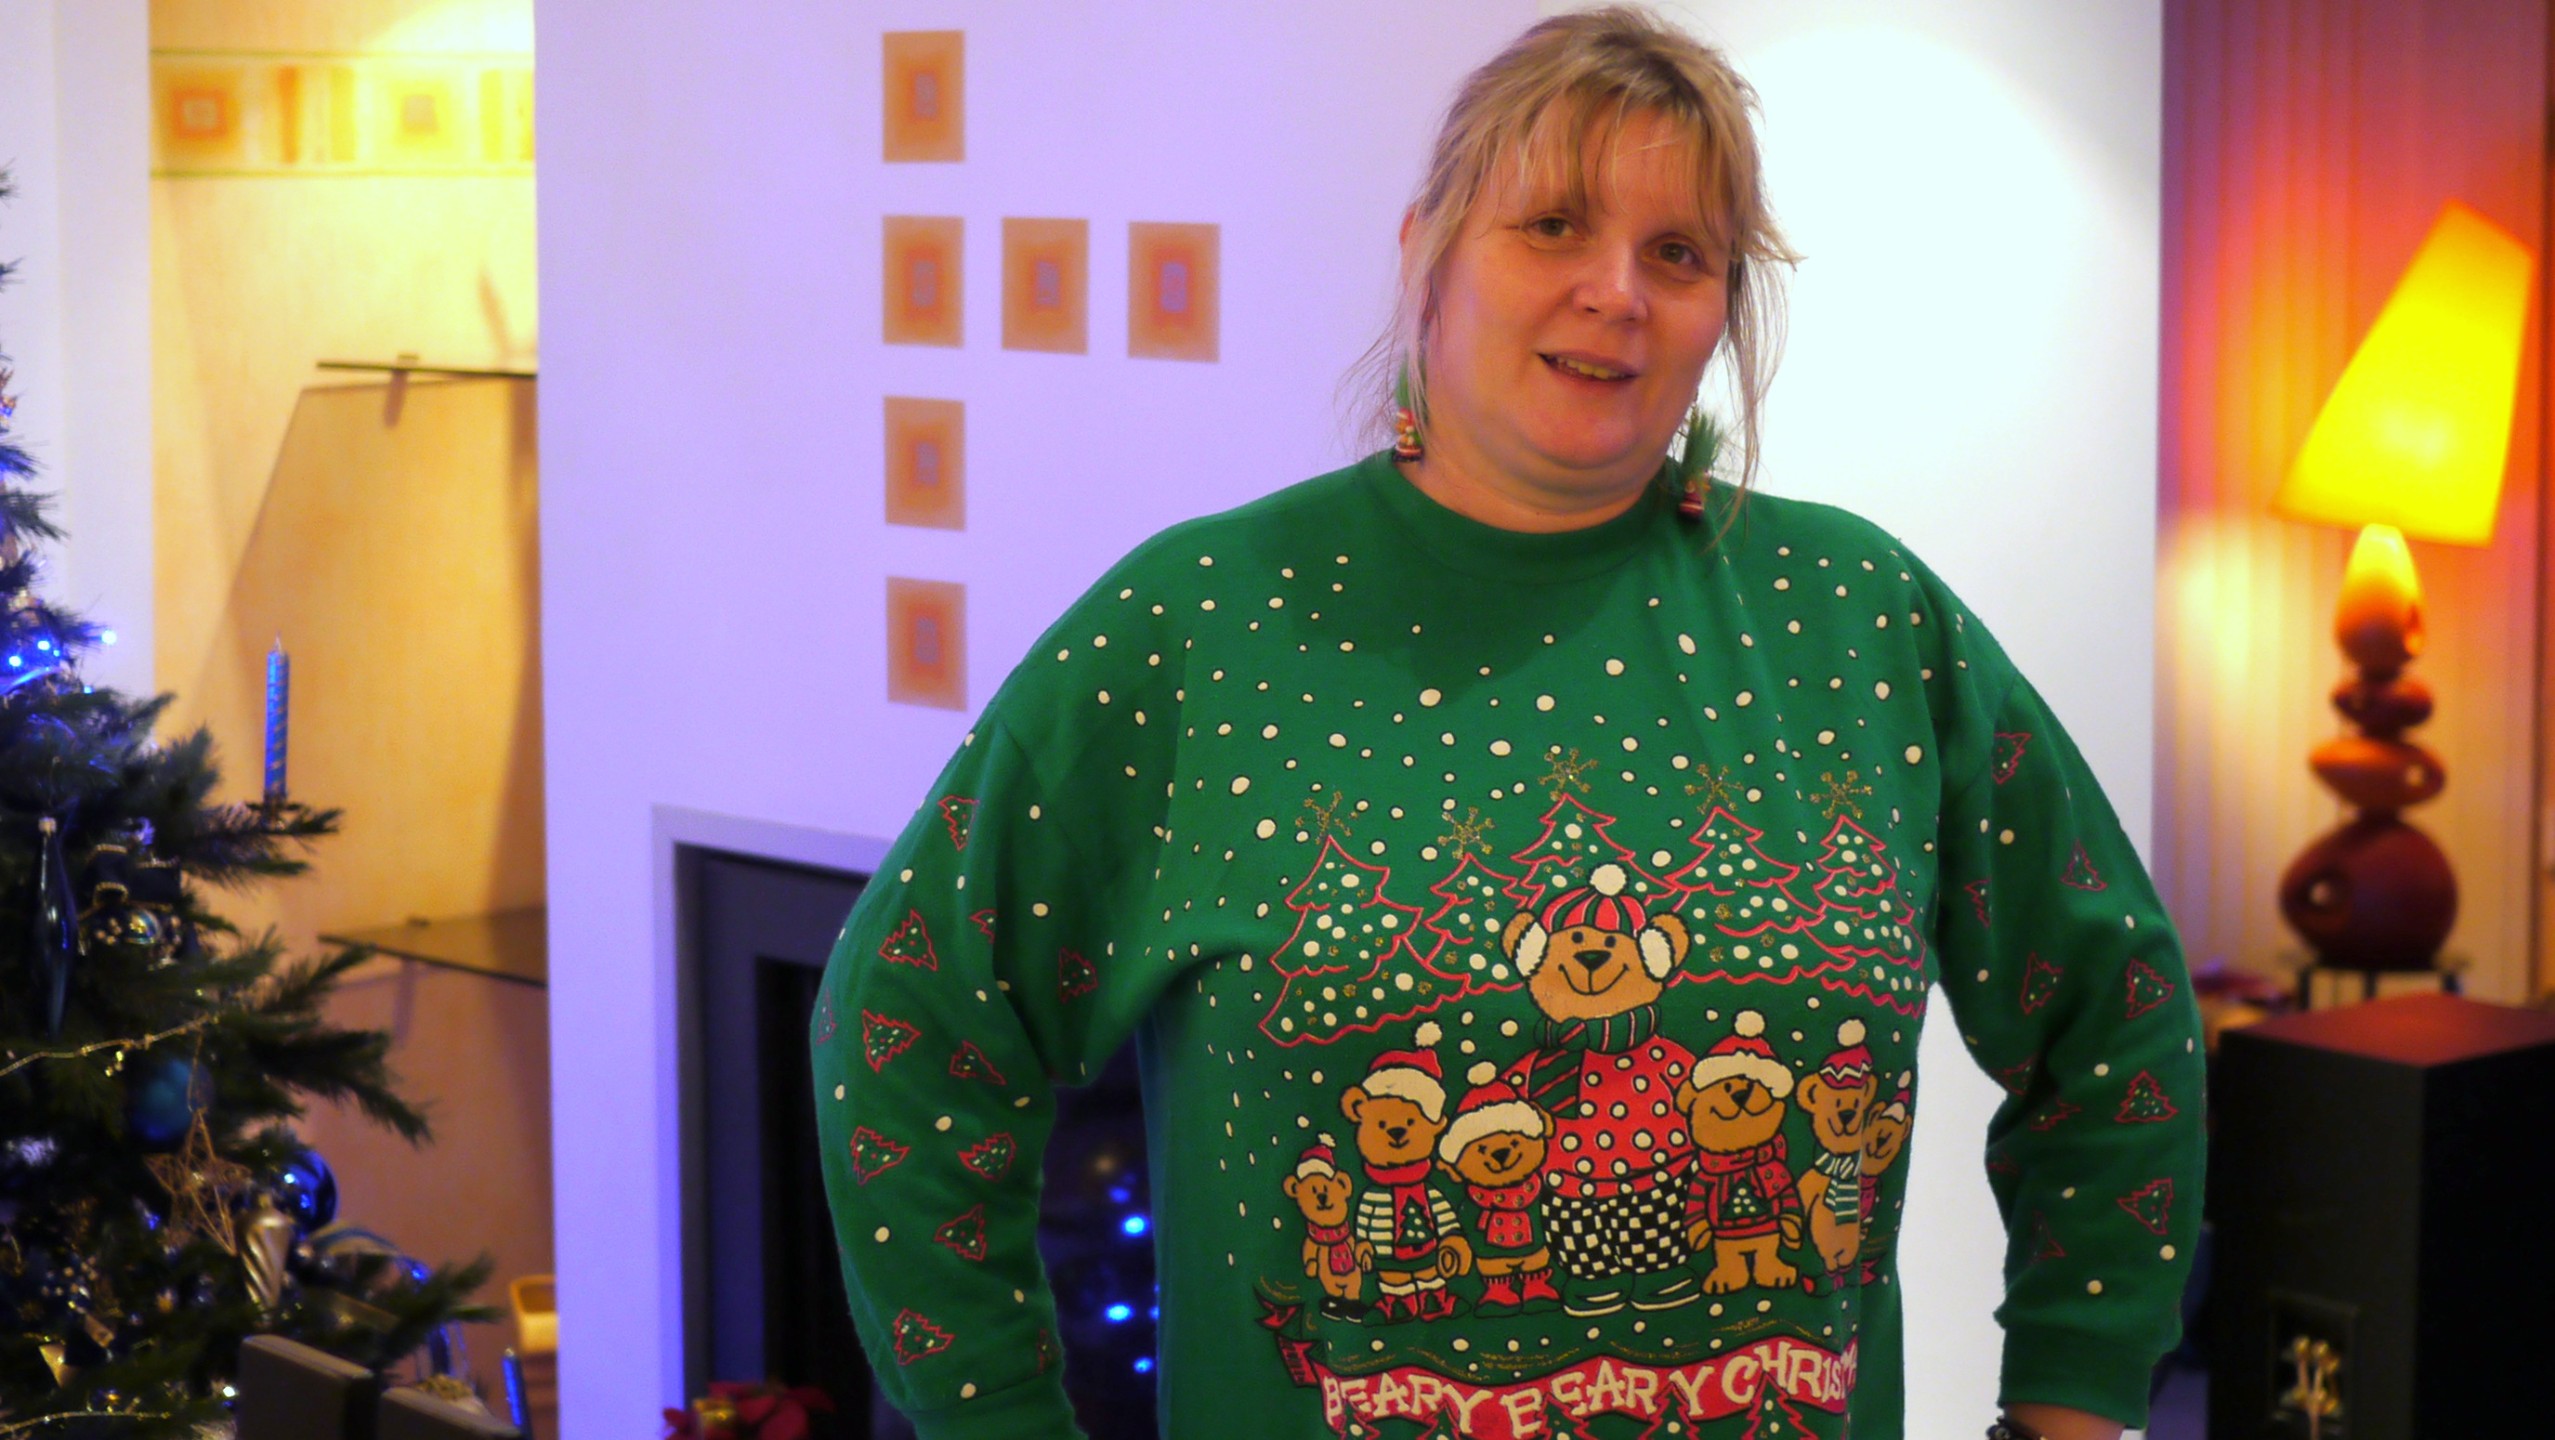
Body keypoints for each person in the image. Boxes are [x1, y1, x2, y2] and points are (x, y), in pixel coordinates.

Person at [810, 8, 2203, 1440]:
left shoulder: (1859, 617)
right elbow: (907, 1022)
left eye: (1680, 254)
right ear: (1426, 252)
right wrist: (995, 1417)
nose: (1618, 293)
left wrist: (2072, 1398)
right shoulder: (1199, 627)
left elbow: (2115, 1008)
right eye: (1553, 226)